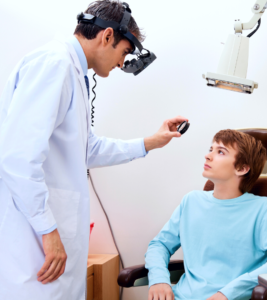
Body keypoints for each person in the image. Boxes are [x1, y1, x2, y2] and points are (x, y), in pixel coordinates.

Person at [0, 1, 188, 299]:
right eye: (125, 52)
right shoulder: (54, 64)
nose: (122, 63)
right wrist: (48, 232)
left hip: (54, 240)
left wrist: (151, 141)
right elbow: (17, 159)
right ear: (107, 36)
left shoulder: (73, 70)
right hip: (34, 245)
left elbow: (85, 149)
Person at [145, 129, 267, 300]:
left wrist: (228, 293)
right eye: (210, 149)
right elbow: (160, 245)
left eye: (221, 152)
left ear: (242, 168)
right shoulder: (191, 201)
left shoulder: (264, 209)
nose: (208, 156)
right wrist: (159, 279)